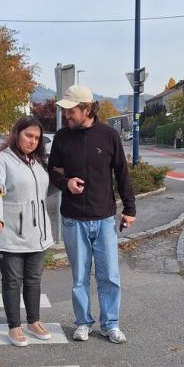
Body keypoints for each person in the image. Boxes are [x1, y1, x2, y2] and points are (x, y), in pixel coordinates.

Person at [49, 85, 136, 344]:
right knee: (79, 276)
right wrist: (66, 183)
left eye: (71, 111)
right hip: (73, 219)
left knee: (109, 275)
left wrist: (130, 209)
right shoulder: (62, 137)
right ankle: (83, 322)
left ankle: (110, 324)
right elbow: (52, 171)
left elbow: (122, 173)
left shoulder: (108, 136)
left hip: (104, 218)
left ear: (87, 109)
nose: (67, 116)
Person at [0, 116, 54, 347]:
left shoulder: (36, 161)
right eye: (28, 135)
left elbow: (43, 189)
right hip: (10, 231)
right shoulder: (0, 159)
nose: (32, 141)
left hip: (37, 232)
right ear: (17, 134)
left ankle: (33, 321)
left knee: (33, 279)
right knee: (13, 281)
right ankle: (14, 326)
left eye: (37, 137)